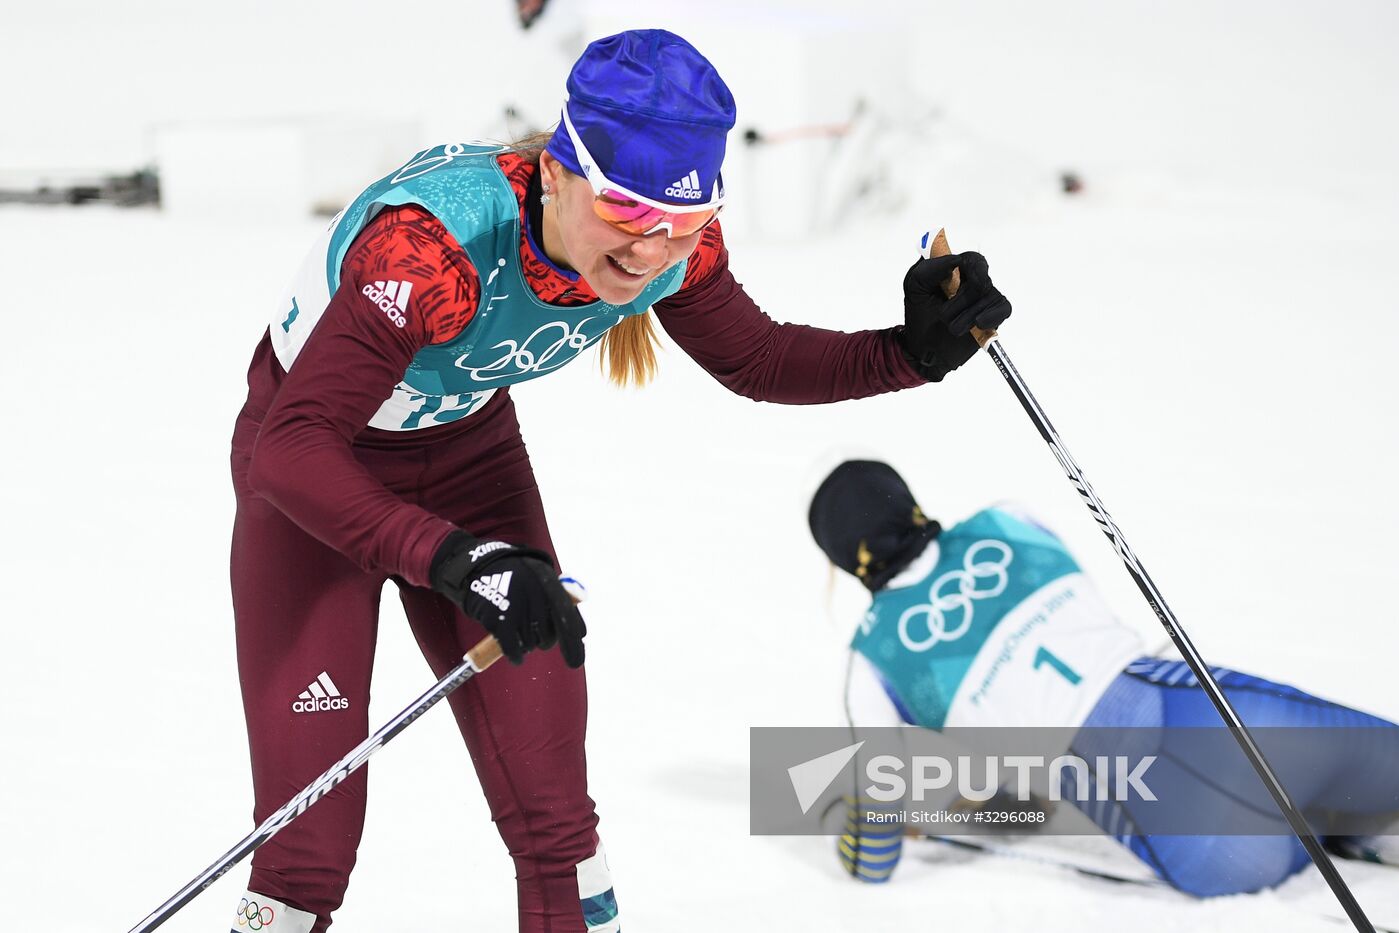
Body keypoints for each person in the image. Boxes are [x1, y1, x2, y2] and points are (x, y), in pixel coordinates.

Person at [228, 29, 1014, 933]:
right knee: (306, 847)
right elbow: (292, 448)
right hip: (314, 483)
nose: (650, 251)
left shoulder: (672, 246)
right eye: (626, 212)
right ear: (557, 173)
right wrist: (449, 557)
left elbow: (756, 357)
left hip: (467, 463)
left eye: (684, 221)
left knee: (556, 821)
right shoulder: (430, 249)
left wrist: (910, 353)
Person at [807, 459, 1399, 896]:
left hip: (1209, 849)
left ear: (842, 560)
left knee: (1282, 832)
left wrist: (850, 827)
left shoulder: (871, 660)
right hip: (1239, 720)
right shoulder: (1007, 521)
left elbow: (875, 858)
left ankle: (1316, 821)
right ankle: (1337, 808)